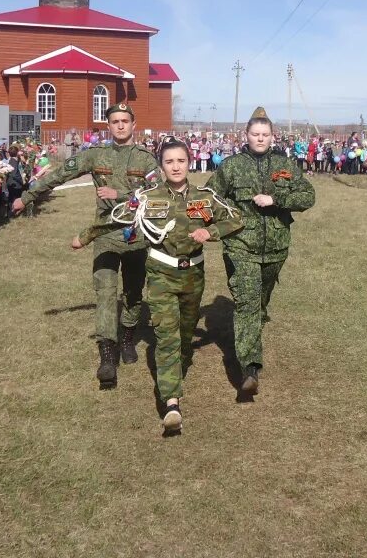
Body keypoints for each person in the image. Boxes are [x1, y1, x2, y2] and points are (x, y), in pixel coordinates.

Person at [77, 138, 243, 431]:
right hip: (161, 275)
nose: (175, 166)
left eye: (180, 161)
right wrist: (86, 235)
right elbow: (116, 220)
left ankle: (177, 369)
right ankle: (172, 403)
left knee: (184, 334)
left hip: (193, 276)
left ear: (189, 162)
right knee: (166, 336)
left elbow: (236, 219)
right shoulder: (146, 197)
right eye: (169, 162)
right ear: (161, 165)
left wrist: (211, 231)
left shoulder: (205, 198)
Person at [12, 103, 157, 388]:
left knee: (133, 292)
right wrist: (28, 197)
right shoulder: (95, 155)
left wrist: (122, 193)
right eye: (114, 121)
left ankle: (128, 338)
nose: (120, 126)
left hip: (136, 235)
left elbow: (158, 194)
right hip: (103, 233)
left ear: (133, 124)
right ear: (108, 125)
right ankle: (107, 356)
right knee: (104, 291)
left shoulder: (146, 160)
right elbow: (58, 175)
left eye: (125, 121)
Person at [206, 107, 315, 396]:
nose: (260, 138)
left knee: (260, 300)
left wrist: (276, 198)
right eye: (255, 134)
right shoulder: (231, 166)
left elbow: (307, 196)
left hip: (277, 247)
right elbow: (209, 198)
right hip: (240, 246)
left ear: (272, 136)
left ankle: (255, 322)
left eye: (265, 134)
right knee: (248, 304)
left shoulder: (286, 165)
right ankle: (249, 368)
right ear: (246, 135)